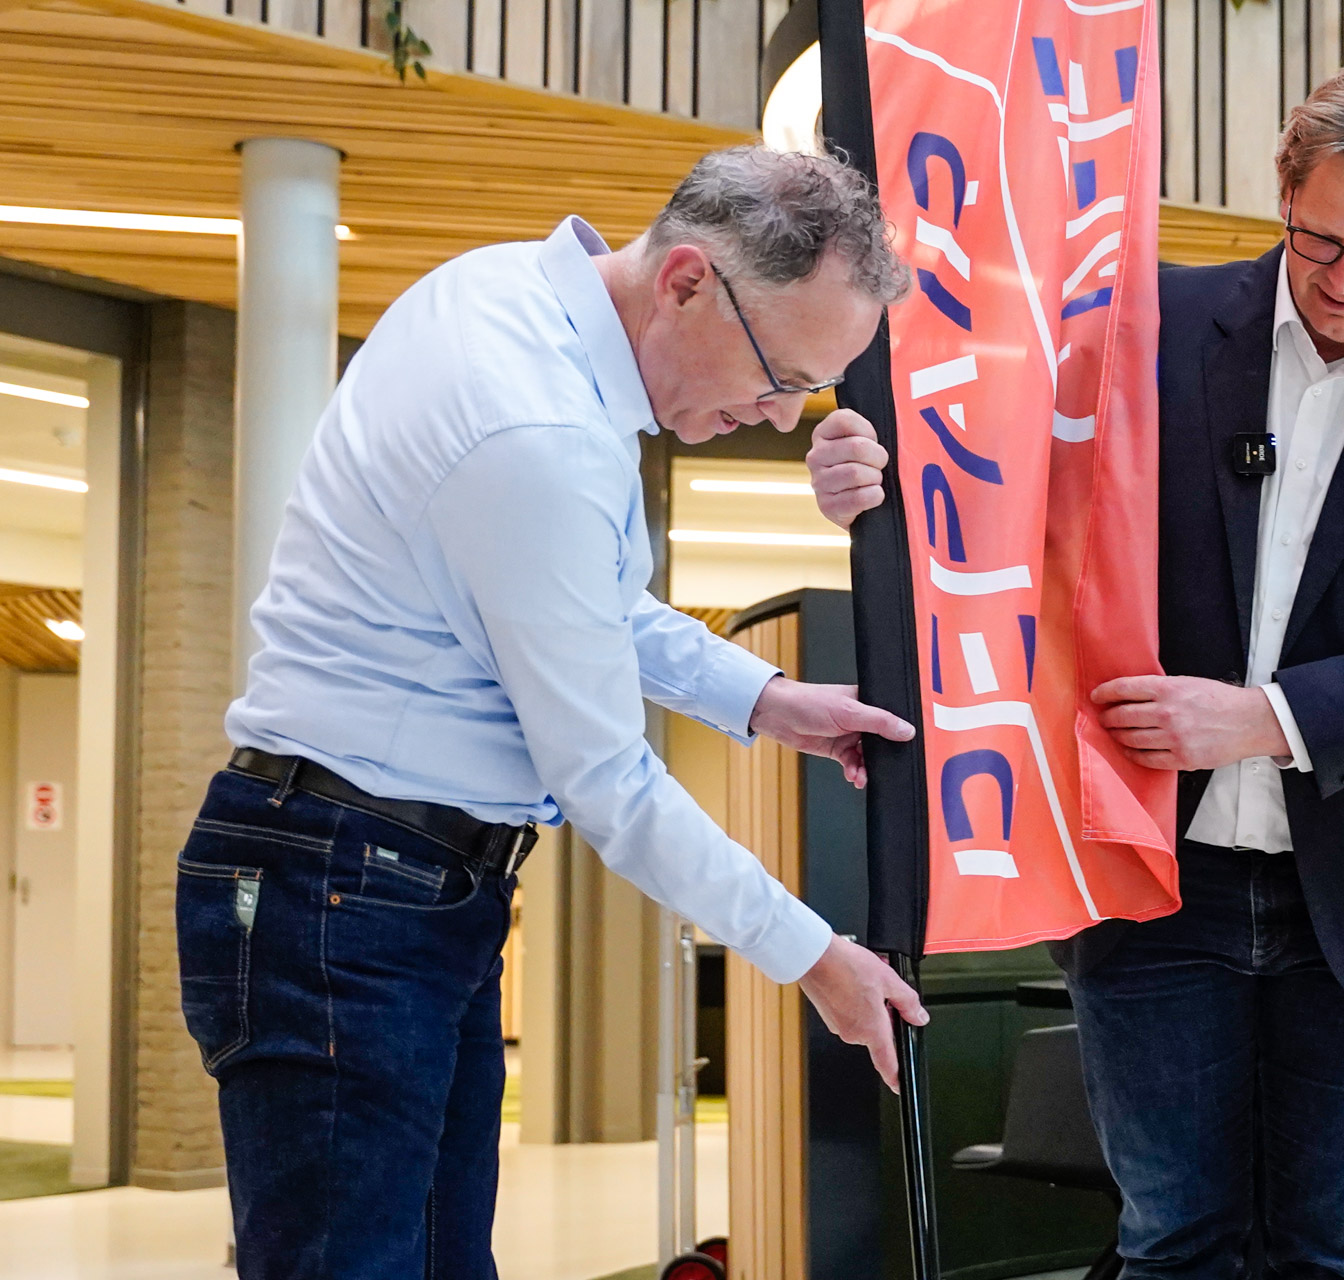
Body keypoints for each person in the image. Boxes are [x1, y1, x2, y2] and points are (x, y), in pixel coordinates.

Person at [809, 57, 1344, 1279]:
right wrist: (868, 480)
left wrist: (1261, 718)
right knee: (1173, 1245)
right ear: (1285, 195)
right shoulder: (1142, 331)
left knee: (1333, 1253)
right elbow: (995, 496)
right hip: (1153, 881)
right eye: (1321, 242)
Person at [175, 145, 930, 1280]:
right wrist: (817, 956)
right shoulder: (531, 423)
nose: (780, 418)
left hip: (384, 881)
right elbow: (608, 781)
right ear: (687, 280)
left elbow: (582, 600)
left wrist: (765, 698)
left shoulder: (507, 300)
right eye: (781, 375)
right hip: (346, 888)